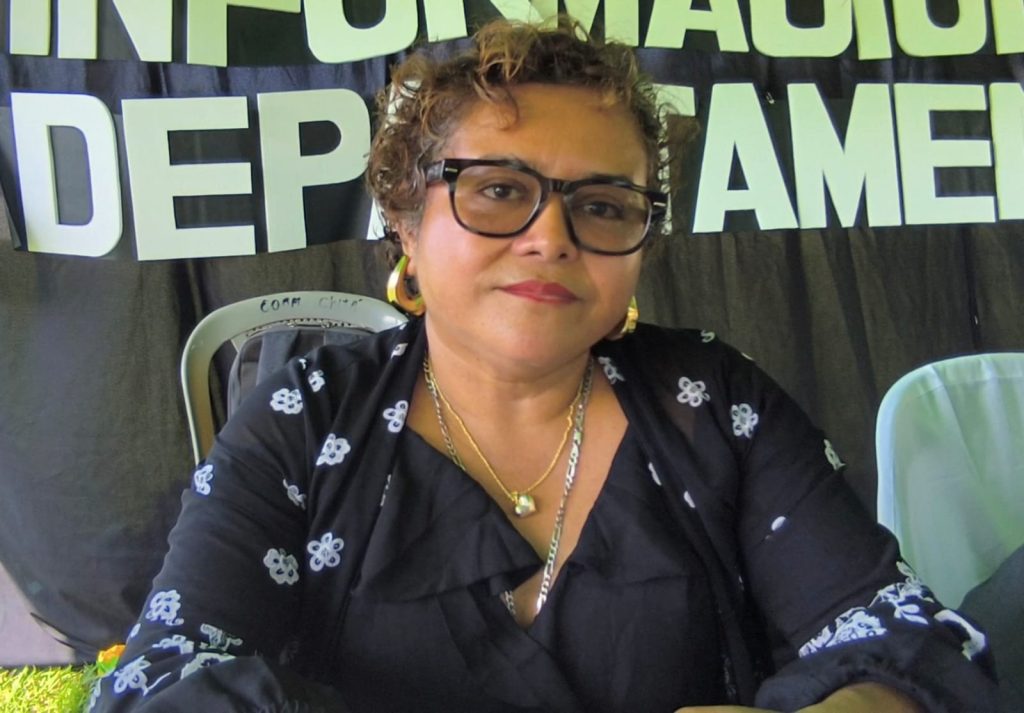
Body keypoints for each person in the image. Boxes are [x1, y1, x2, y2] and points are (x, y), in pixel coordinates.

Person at [92, 16, 997, 713]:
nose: (550, 238)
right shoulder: (310, 417)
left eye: (602, 205)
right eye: (498, 190)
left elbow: (902, 635)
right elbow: (164, 674)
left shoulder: (713, 403)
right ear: (406, 221)